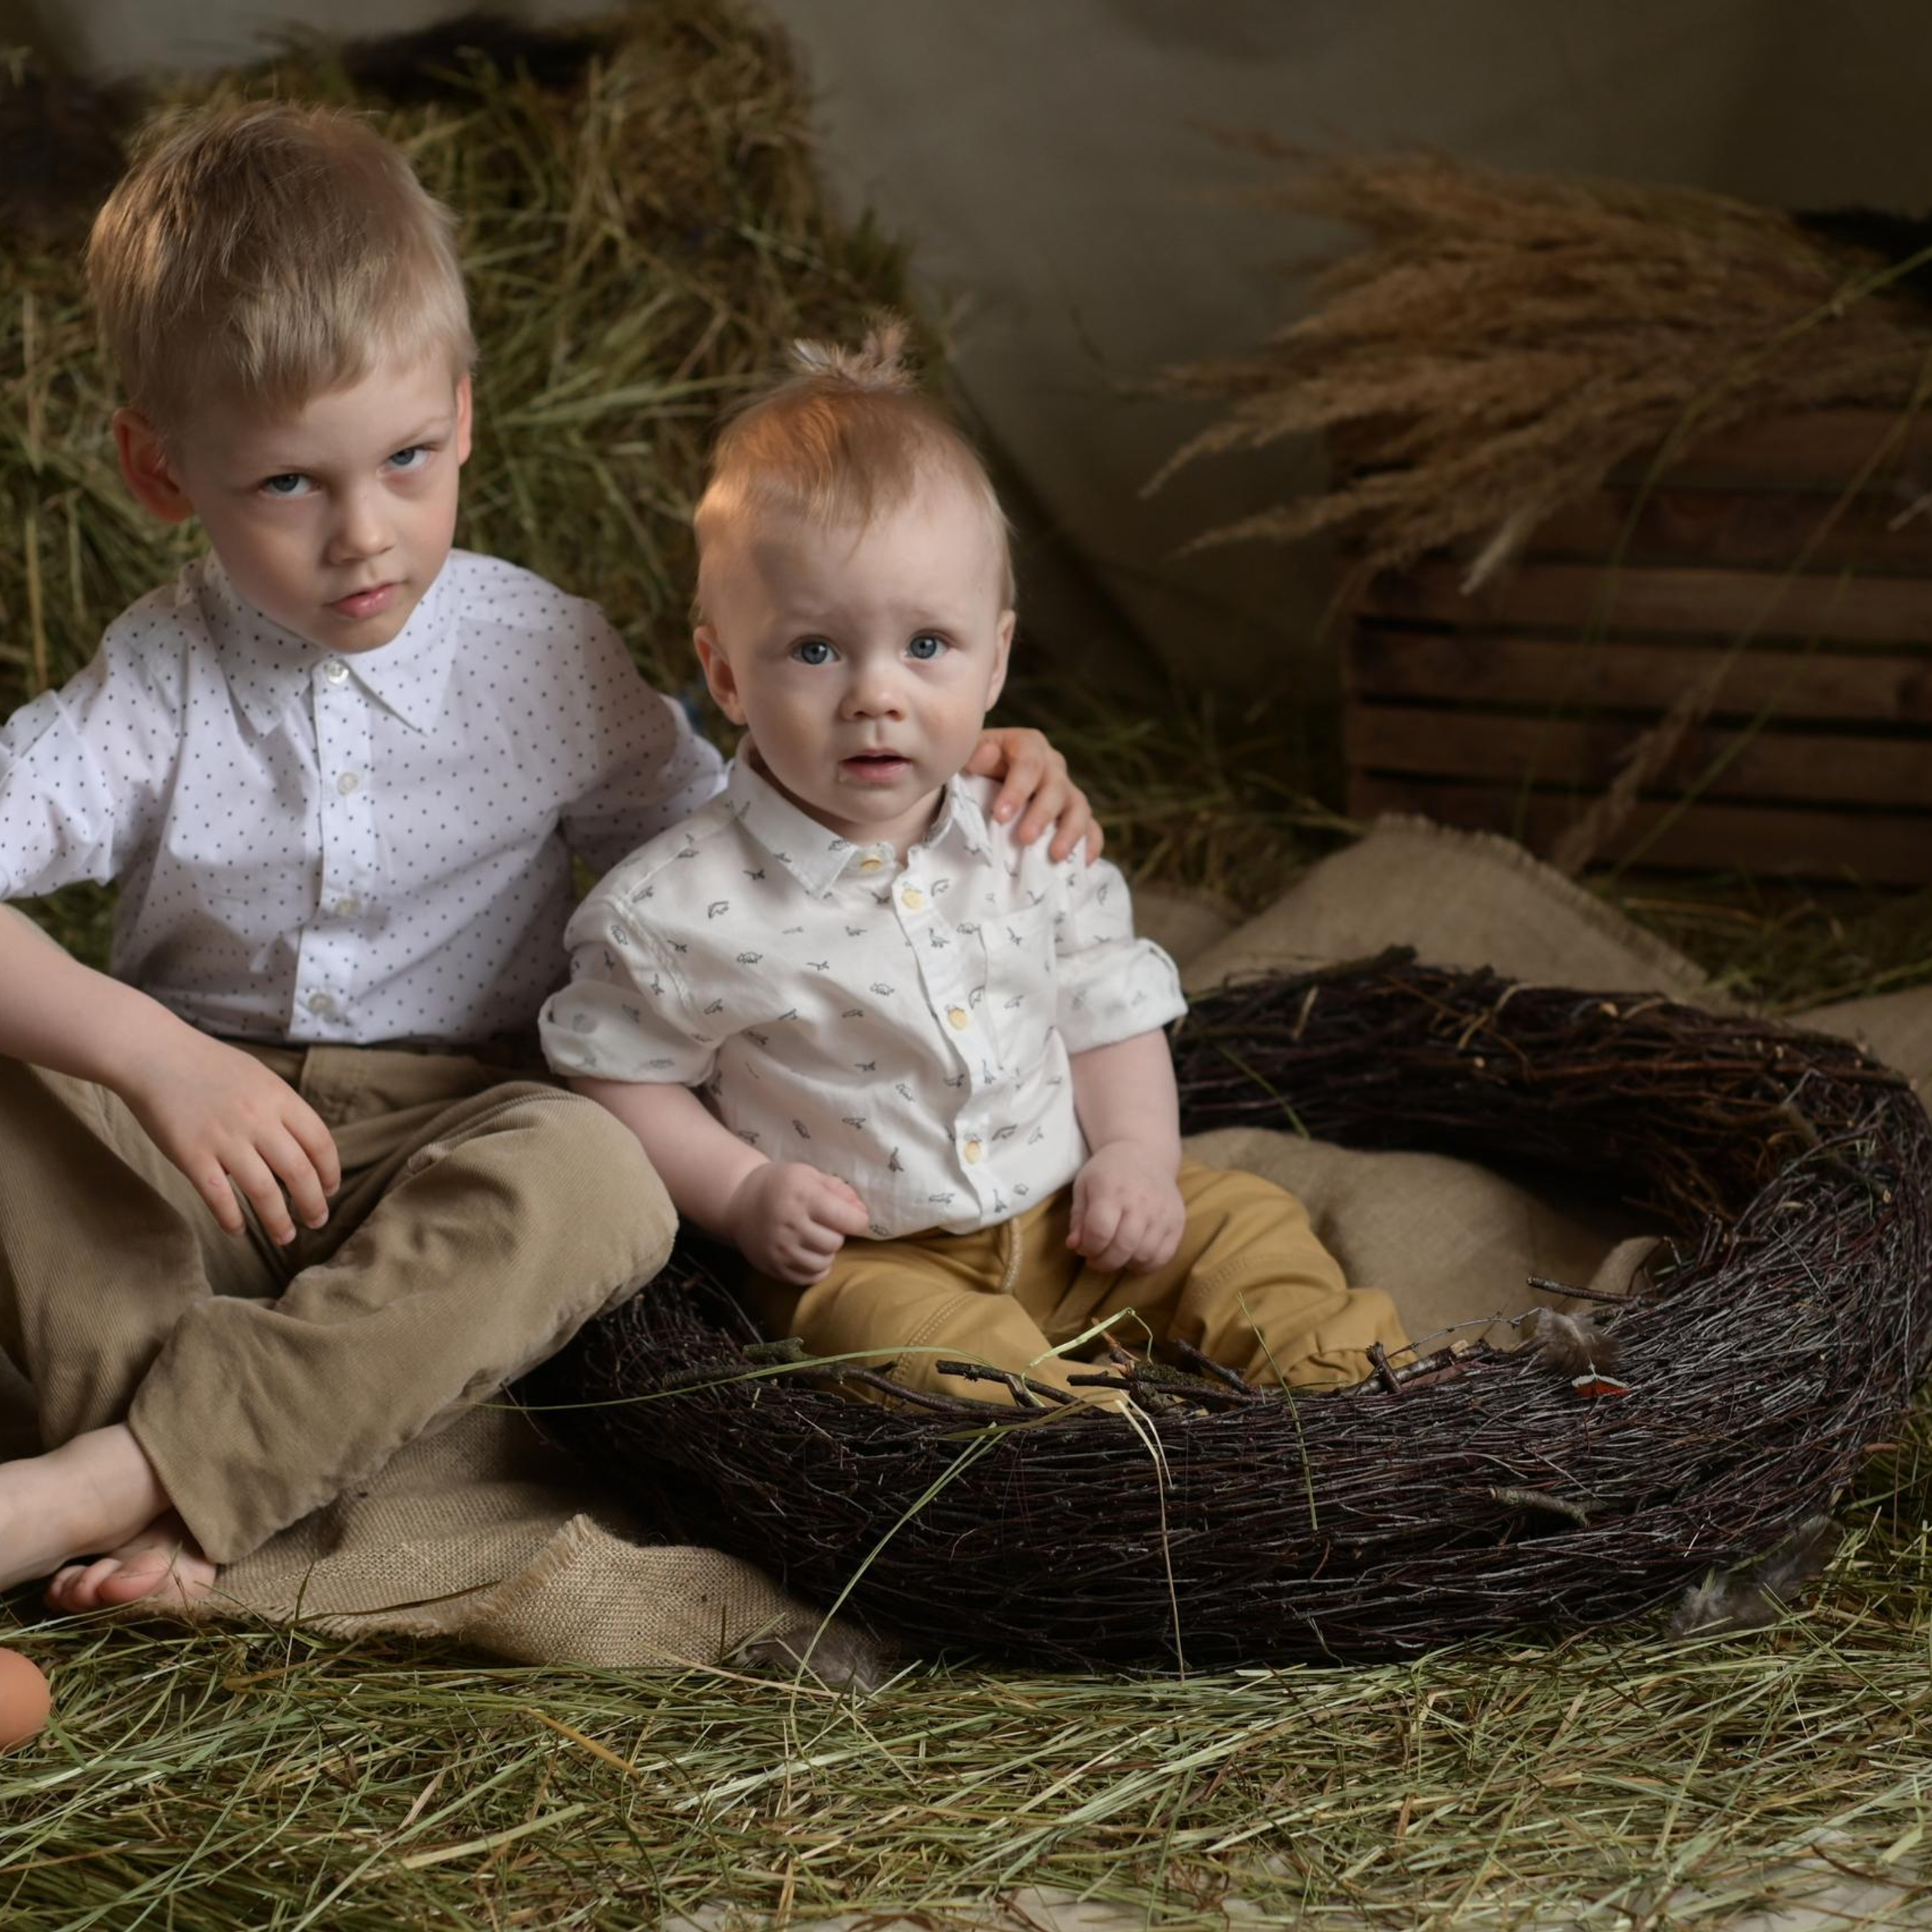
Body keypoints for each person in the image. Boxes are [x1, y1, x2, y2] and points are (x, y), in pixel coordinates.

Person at [0, 108, 1091, 1607]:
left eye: (402, 459)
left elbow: (753, 842)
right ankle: (210, 1445)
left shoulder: (547, 657)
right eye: (286, 485)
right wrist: (152, 1058)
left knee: (603, 1172)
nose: (363, 535)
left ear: (462, 412)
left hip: (447, 1135)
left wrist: (966, 769)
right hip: (179, 1150)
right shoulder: (158, 681)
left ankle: (110, 1478)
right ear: (157, 469)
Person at [542, 322, 1407, 1408]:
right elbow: (620, 1073)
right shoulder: (678, 907)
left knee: (1248, 1225)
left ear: (996, 658)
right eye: (815, 650)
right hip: (878, 1257)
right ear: (723, 672)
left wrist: (1136, 1156)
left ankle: (1368, 1401)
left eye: (926, 646)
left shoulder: (1026, 829)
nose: (876, 695)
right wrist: (744, 1191)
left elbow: (1104, 1002)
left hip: (1069, 1220)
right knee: (903, 1349)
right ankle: (1106, 1444)